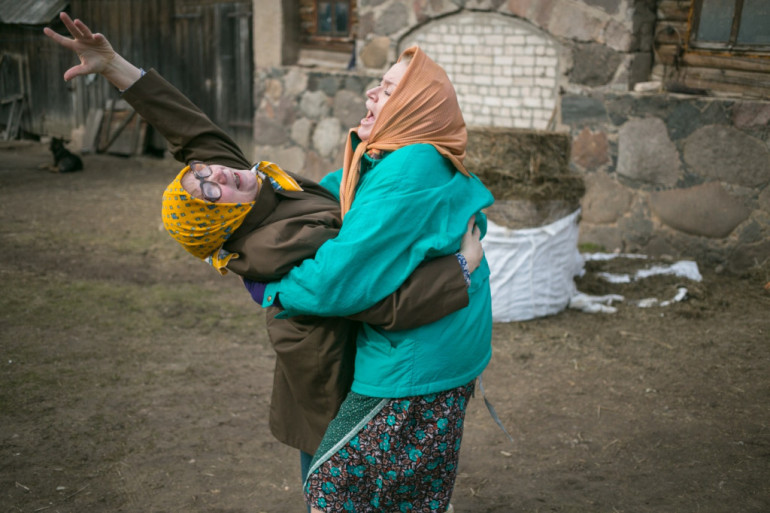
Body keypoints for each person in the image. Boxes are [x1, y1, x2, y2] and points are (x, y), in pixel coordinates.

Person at [44, 12, 484, 496]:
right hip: (331, 365)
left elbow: (194, 133)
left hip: (338, 354)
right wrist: (458, 271)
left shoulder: (254, 194)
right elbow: (362, 296)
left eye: (205, 171)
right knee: (336, 485)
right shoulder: (272, 243)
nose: (217, 175)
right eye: (208, 191)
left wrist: (114, 67)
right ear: (222, 221)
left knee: (350, 485)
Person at [252, 46, 495, 512]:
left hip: (414, 362)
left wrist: (273, 287)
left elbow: (336, 282)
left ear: (415, 108)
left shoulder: (412, 163)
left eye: (388, 89)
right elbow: (326, 200)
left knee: (337, 490)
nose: (371, 91)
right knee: (402, 491)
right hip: (441, 347)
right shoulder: (389, 162)